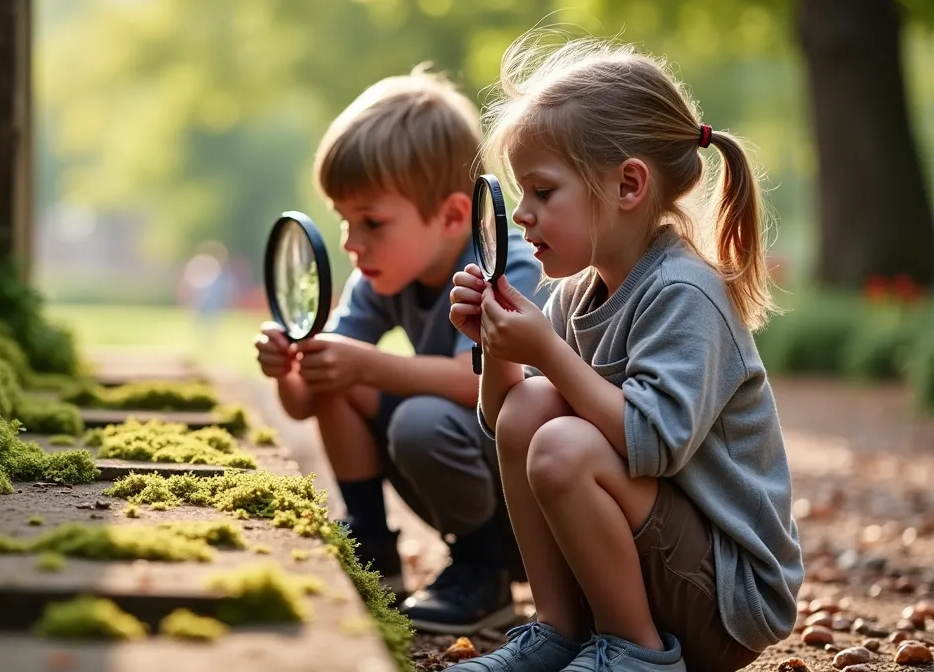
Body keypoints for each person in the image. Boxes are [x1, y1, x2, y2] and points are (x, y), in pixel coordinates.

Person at [446, 32, 803, 671]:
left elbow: (654, 442)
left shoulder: (684, 292)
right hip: (656, 571)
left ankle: (635, 652)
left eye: (543, 191)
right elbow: (506, 423)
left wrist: (549, 353)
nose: (522, 215)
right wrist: (496, 347)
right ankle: (560, 630)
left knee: (564, 444)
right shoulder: (577, 292)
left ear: (627, 185)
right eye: (519, 194)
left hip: (726, 601)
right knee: (532, 409)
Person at [253, 65, 548, 634]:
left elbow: (494, 384)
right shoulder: (382, 278)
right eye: (344, 220)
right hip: (454, 471)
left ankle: (484, 574)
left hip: (527, 509)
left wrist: (368, 364)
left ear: (452, 216)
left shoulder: (504, 266)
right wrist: (288, 369)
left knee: (417, 418)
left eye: (372, 221)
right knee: (338, 367)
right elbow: (308, 400)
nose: (349, 242)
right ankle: (372, 544)